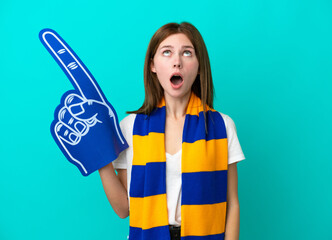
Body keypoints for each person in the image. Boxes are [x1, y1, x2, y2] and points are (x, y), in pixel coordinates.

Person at [98, 22, 245, 240]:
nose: (177, 61)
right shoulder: (130, 127)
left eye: (187, 53)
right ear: (153, 65)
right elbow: (123, 209)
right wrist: (99, 156)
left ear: (199, 65)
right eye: (167, 52)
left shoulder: (221, 126)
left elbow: (231, 203)